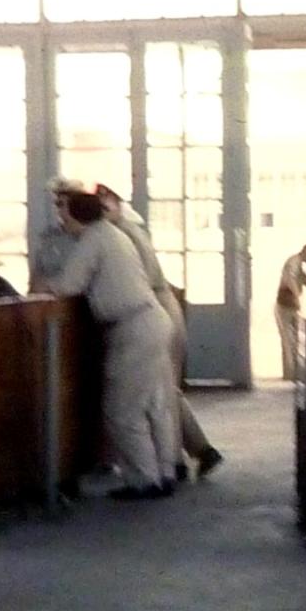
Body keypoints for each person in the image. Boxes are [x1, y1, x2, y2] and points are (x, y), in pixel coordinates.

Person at [47, 189, 180, 500]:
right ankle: (165, 472)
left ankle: (145, 480)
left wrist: (46, 284)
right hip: (152, 319)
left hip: (132, 327)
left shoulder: (92, 240)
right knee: (154, 404)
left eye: (64, 213)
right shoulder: (114, 234)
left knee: (122, 410)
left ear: (77, 215)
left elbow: (69, 284)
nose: (62, 220)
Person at [96, 184, 223, 480]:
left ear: (115, 202)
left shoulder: (122, 233)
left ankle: (175, 460)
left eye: (104, 202)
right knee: (165, 388)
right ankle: (197, 450)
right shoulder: (129, 229)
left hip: (155, 305)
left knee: (162, 391)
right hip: (162, 306)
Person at [29, 177, 86, 294]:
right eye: (58, 204)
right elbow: (36, 278)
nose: (61, 211)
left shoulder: (92, 238)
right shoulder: (50, 239)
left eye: (64, 205)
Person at [275, 241, 306, 381]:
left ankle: (294, 372)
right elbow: (290, 279)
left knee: (295, 340)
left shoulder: (301, 266)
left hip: (292, 304)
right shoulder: (294, 261)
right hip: (285, 303)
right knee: (288, 340)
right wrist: (297, 297)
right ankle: (291, 373)